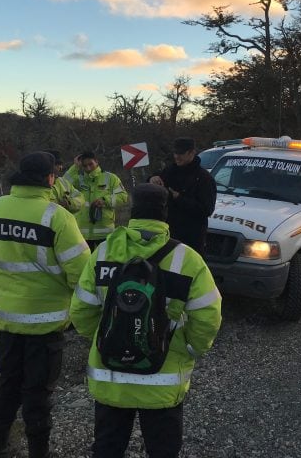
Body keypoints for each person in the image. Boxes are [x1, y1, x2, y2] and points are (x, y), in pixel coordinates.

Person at [69, 183, 222, 458]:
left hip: (110, 375)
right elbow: (208, 316)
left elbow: (81, 310)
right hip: (162, 378)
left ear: (132, 212)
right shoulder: (188, 260)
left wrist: (107, 336)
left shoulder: (102, 253)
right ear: (166, 214)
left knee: (106, 448)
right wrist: (191, 348)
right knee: (163, 450)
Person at [0, 152, 91, 458]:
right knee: (38, 393)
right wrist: (78, 310)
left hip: (5, 321)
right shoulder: (57, 217)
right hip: (46, 325)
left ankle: (0, 443)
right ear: (50, 178)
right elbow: (82, 273)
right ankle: (39, 450)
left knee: (7, 383)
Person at [148, 137, 217, 254]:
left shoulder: (204, 178)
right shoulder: (170, 170)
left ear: (192, 153)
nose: (176, 156)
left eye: (181, 153)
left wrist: (178, 198)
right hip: (168, 234)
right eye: (175, 152)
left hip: (191, 239)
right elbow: (154, 184)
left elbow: (206, 209)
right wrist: (152, 179)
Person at [66, 150, 129, 251]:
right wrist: (75, 167)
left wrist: (105, 200)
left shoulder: (111, 178)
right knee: (86, 264)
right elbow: (64, 184)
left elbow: (123, 197)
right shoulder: (78, 180)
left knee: (104, 262)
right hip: (82, 233)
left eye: (91, 164)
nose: (88, 168)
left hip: (105, 232)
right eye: (85, 166)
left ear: (97, 161)